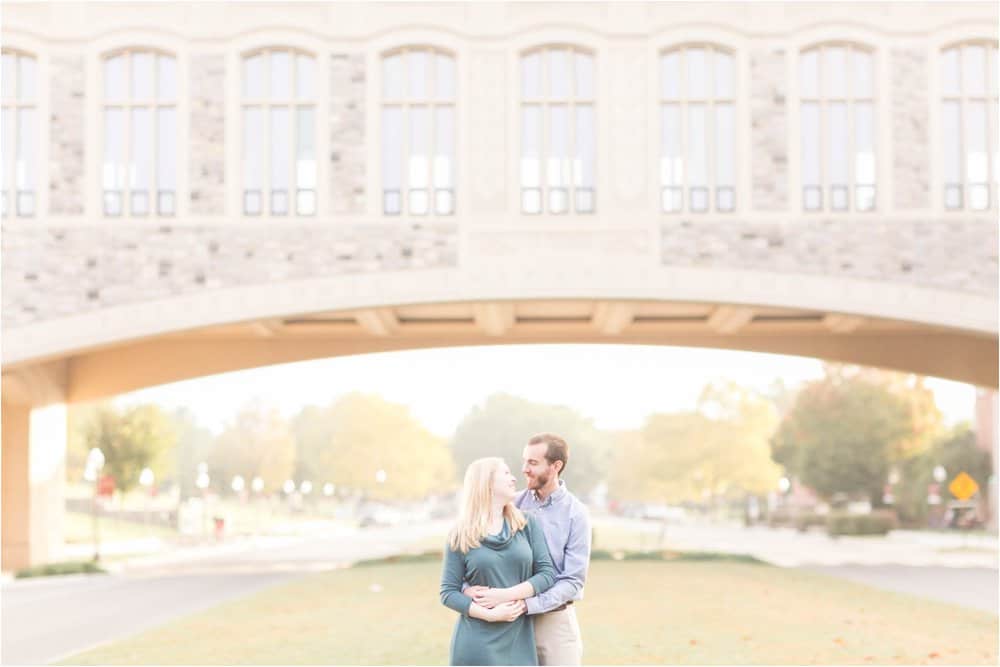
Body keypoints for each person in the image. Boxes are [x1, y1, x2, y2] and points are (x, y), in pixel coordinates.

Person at [466, 433, 592, 666]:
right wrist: (468, 590)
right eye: (524, 461)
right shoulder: (511, 504)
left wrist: (527, 605)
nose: (524, 469)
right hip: (507, 621)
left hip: (553, 624)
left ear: (556, 466)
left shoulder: (576, 514)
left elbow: (573, 580)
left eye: (533, 463)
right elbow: (473, 555)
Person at [440, 457, 556, 666]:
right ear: (487, 482)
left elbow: (547, 574)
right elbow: (448, 592)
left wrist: (503, 596)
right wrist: (490, 615)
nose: (514, 478)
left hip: (519, 640)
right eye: (505, 473)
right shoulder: (460, 533)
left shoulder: (527, 524)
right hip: (476, 643)